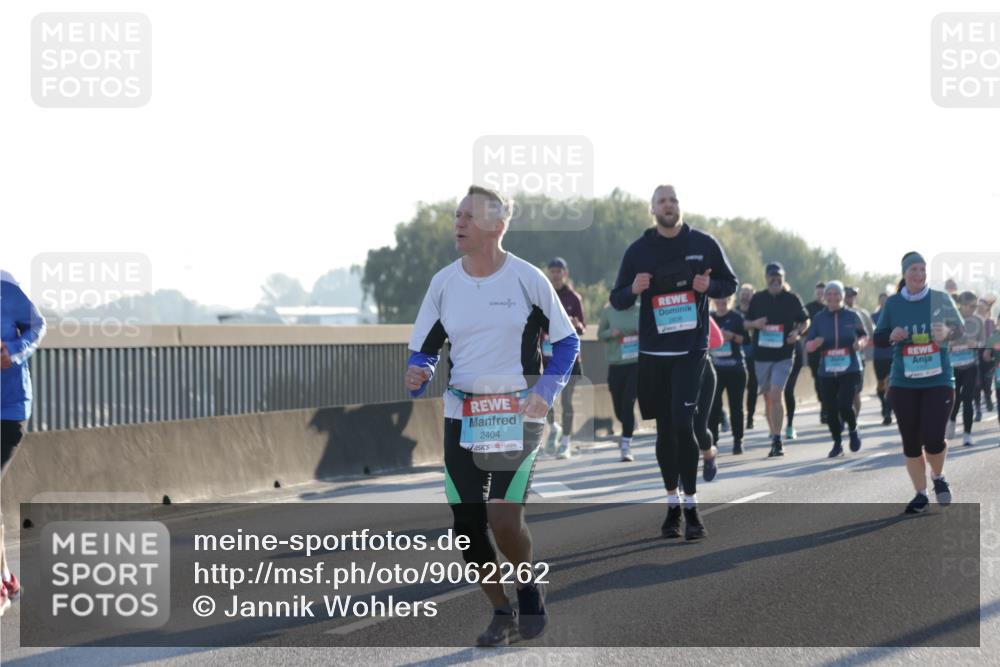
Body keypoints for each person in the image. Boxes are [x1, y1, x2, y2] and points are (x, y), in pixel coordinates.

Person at [405, 186, 580, 646]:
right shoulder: (444, 284)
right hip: (462, 416)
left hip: (518, 413)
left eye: (470, 215)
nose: (459, 222)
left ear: (497, 226)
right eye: (457, 214)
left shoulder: (526, 279)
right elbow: (425, 348)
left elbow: (567, 342)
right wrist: (419, 371)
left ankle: (526, 584)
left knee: (503, 518)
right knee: (467, 527)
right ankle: (501, 611)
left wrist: (545, 390)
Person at [610, 184, 737, 541]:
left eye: (673, 200)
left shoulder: (703, 243)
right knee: (665, 431)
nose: (669, 205)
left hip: (691, 351)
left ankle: (693, 509)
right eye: (662, 201)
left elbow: (729, 283)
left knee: (684, 425)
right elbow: (617, 299)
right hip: (653, 354)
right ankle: (672, 505)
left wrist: (708, 286)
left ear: (679, 207)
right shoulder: (638, 251)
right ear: (652, 209)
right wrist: (633, 289)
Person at [874, 252, 964, 514]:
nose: (919, 274)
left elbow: (961, 330)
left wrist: (947, 333)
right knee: (911, 441)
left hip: (939, 379)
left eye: (923, 269)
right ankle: (921, 494)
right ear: (904, 273)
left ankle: (938, 476)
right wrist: (891, 334)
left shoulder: (941, 299)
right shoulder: (893, 303)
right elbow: (878, 337)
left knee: (933, 437)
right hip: (904, 382)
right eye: (913, 269)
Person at [1, 270, 46, 616]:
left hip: (9, 410)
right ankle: (6, 579)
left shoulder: (5, 286)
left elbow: (37, 326)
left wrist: (14, 351)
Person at [745, 262, 809, 457]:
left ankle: (777, 440)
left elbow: (805, 320)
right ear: (766, 278)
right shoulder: (758, 299)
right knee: (768, 398)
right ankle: (774, 434)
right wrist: (755, 323)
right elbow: (745, 323)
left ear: (783, 278)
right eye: (772, 276)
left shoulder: (792, 299)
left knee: (776, 394)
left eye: (778, 277)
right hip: (762, 357)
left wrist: (797, 332)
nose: (776, 280)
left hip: (784, 355)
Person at [805, 281, 868, 457]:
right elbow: (808, 344)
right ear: (824, 297)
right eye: (829, 294)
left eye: (836, 294)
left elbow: (864, 335)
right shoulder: (819, 318)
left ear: (842, 296)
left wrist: (860, 343)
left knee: (844, 404)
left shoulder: (852, 316)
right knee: (830, 409)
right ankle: (837, 443)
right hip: (827, 370)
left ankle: (853, 429)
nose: (833, 297)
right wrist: (815, 344)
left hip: (850, 368)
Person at [541, 257, 586, 459]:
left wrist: (576, 325)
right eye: (552, 271)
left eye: (559, 271)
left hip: (569, 360)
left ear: (565, 274)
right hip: (547, 358)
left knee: (567, 402)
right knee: (545, 399)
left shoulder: (574, 298)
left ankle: (566, 443)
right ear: (548, 274)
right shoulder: (543, 296)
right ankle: (554, 427)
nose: (555, 275)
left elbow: (582, 327)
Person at [597, 299, 640, 462]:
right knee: (619, 409)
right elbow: (600, 335)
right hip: (616, 364)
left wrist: (641, 332)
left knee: (628, 402)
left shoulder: (640, 309)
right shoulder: (609, 311)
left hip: (636, 363)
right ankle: (629, 422)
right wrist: (611, 333)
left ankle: (626, 445)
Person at [708, 295, 748, 455]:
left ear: (729, 300)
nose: (721, 302)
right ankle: (713, 442)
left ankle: (738, 440)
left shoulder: (737, 318)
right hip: (715, 370)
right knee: (713, 407)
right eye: (718, 299)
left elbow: (746, 340)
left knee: (736, 407)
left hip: (735, 369)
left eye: (724, 299)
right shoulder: (709, 317)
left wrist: (731, 336)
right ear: (713, 301)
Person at [947, 291, 986, 446]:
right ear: (961, 305)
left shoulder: (978, 321)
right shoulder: (950, 320)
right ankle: (951, 419)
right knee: (955, 398)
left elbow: (984, 342)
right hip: (953, 366)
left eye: (976, 306)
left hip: (971, 365)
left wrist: (976, 344)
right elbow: (941, 340)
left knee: (967, 398)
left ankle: (967, 434)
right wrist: (949, 343)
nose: (974, 309)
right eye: (971, 306)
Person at [845, 286, 875, 419]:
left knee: (855, 391)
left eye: (852, 296)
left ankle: (854, 419)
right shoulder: (835, 313)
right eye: (847, 296)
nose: (849, 298)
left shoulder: (862, 313)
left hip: (857, 357)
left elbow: (870, 333)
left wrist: (861, 343)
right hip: (837, 358)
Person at [805, 282, 828, 424]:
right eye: (818, 293)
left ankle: (826, 410)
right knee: (818, 381)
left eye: (823, 293)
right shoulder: (809, 308)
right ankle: (823, 403)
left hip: (830, 351)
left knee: (828, 381)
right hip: (814, 351)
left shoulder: (831, 308)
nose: (820, 295)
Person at [737, 283, 759, 430]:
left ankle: (750, 416)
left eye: (748, 292)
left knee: (753, 386)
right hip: (736, 352)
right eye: (743, 292)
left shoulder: (757, 311)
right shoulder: (734, 312)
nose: (745, 294)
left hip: (754, 352)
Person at [871, 290, 894, 425]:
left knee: (890, 384)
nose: (884, 302)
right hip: (879, 355)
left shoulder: (894, 315)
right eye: (882, 299)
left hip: (892, 355)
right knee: (880, 385)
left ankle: (888, 412)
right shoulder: (873, 317)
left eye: (886, 299)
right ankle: (884, 404)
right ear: (879, 302)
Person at [975, 294, 996, 418]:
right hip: (976, 354)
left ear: (987, 308)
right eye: (979, 305)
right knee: (977, 384)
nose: (980, 308)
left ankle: (988, 396)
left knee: (987, 383)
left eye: (982, 306)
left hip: (989, 355)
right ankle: (978, 409)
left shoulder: (991, 322)